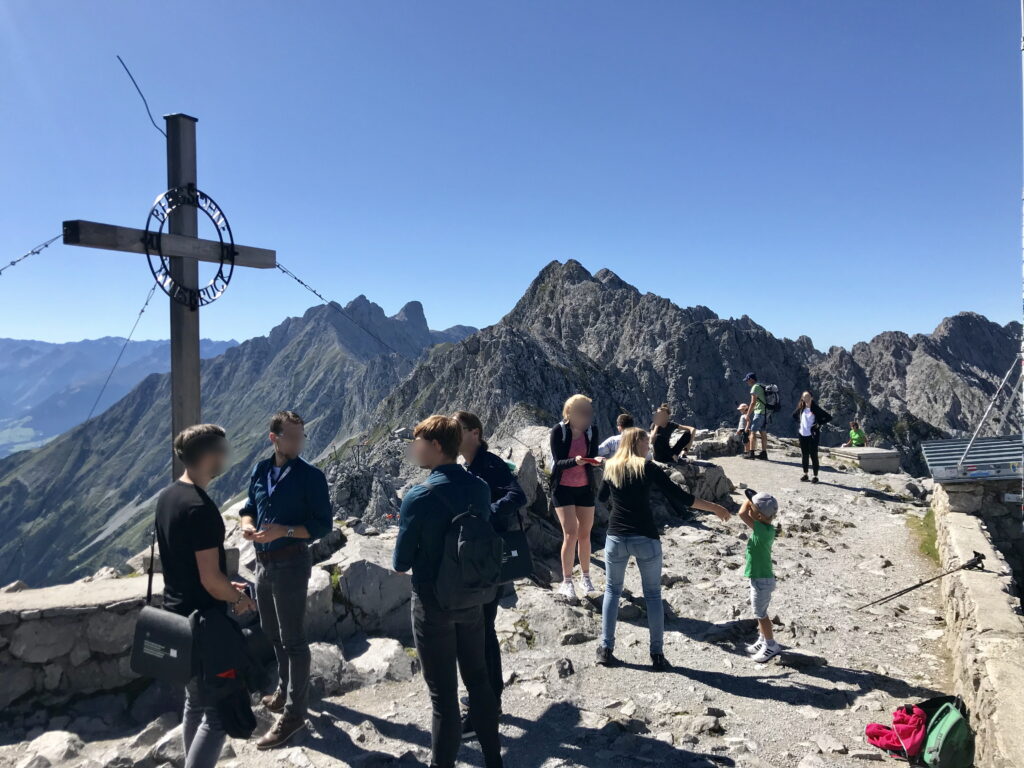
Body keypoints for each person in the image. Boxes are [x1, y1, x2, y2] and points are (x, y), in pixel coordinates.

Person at [393, 416, 503, 768]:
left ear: (436, 446)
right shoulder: (480, 489)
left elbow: (400, 562)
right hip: (473, 598)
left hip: (432, 603)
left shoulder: (419, 496)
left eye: (418, 441)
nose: (414, 448)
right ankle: (494, 761)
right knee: (479, 681)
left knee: (443, 699)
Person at [156, 424, 256, 768]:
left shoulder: (170, 496)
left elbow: (187, 566)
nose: (226, 457)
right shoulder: (199, 509)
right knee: (217, 714)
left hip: (176, 616)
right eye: (223, 451)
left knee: (194, 703)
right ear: (210, 455)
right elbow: (211, 579)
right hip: (205, 626)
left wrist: (228, 588)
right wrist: (239, 599)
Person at [596, 428, 732, 670]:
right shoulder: (648, 468)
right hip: (645, 536)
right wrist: (715, 508)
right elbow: (680, 497)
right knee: (653, 595)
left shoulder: (611, 467)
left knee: (612, 591)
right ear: (637, 443)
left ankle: (606, 649)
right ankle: (657, 654)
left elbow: (602, 497)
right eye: (646, 442)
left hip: (616, 536)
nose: (649, 446)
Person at [240, 411, 333, 749]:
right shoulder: (261, 470)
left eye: (301, 437)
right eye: (291, 436)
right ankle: (285, 688)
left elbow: (323, 525)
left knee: (293, 640)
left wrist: (285, 531)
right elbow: (249, 506)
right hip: (262, 564)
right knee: (270, 631)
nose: (297, 442)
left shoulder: (311, 477)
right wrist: (247, 525)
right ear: (274, 438)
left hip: (292, 562)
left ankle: (295, 714)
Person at [453, 410, 527, 741]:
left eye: (458, 430)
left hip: (487, 559)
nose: (453, 436)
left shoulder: (490, 464)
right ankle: (487, 696)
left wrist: (486, 514)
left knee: (478, 632)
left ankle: (486, 707)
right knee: (480, 630)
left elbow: (517, 495)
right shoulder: (467, 465)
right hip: (477, 559)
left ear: (475, 433)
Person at [549, 394, 603, 599]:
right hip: (562, 488)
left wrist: (594, 460)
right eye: (583, 411)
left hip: (584, 488)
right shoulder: (559, 431)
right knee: (571, 534)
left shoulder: (592, 431)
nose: (587, 415)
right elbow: (558, 462)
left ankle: (586, 578)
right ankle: (567, 581)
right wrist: (576, 461)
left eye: (589, 411)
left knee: (585, 535)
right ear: (570, 412)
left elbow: (593, 453)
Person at [738, 489, 782, 663]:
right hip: (760, 577)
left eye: (753, 509)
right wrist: (754, 504)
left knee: (761, 614)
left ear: (761, 516)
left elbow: (741, 513)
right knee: (759, 613)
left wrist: (748, 500)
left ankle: (771, 645)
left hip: (762, 580)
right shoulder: (766, 528)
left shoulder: (761, 531)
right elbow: (749, 513)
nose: (750, 509)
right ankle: (763, 639)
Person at [791, 392, 832, 483]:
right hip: (802, 434)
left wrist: (818, 424)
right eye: (804, 397)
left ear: (812, 398)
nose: (806, 398)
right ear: (802, 398)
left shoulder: (815, 408)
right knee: (804, 455)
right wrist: (801, 423)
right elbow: (794, 416)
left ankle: (815, 476)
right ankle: (805, 474)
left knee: (813, 455)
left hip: (812, 435)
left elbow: (828, 417)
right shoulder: (801, 408)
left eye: (808, 396)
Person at [742, 373, 769, 461]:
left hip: (759, 412)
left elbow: (753, 403)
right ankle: (764, 453)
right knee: (763, 433)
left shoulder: (755, 387)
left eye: (747, 380)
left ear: (750, 379)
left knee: (753, 432)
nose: (747, 382)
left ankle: (751, 453)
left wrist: (748, 415)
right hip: (765, 413)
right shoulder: (761, 386)